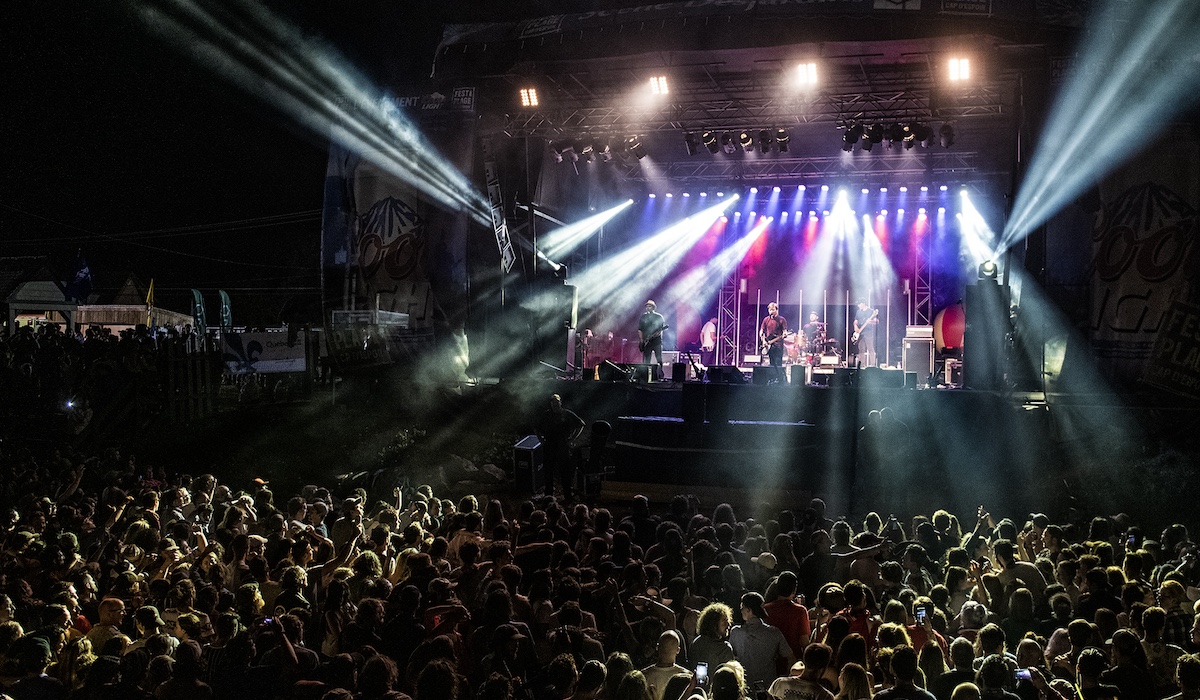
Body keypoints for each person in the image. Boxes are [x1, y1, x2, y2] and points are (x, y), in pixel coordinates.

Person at [537, 394, 585, 502]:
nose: (555, 404)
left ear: (560, 403)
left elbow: (581, 424)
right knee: (548, 473)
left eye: (557, 402)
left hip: (563, 447)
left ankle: (567, 497)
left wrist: (572, 438)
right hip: (549, 446)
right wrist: (540, 439)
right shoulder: (547, 415)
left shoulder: (566, 414)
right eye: (553, 402)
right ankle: (549, 497)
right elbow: (536, 427)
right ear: (551, 404)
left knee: (565, 473)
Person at [759, 303, 788, 382]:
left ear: (776, 310)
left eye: (773, 310)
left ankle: (779, 379)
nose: (771, 311)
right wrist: (763, 340)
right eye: (769, 310)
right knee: (771, 362)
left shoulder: (782, 320)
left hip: (778, 344)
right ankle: (772, 378)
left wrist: (784, 334)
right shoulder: (766, 319)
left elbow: (785, 331)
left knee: (778, 362)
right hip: (769, 344)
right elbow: (761, 331)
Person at [638, 300, 668, 372]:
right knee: (646, 360)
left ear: (653, 307)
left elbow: (661, 329)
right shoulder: (643, 317)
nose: (648, 308)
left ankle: (660, 374)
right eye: (647, 306)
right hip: (647, 342)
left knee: (659, 359)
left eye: (650, 306)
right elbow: (640, 329)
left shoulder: (658, 316)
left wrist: (657, 334)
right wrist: (642, 340)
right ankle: (645, 374)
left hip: (656, 341)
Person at [853, 301, 878, 368]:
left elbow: (876, 321)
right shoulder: (858, 312)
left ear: (863, 303)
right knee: (861, 349)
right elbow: (855, 321)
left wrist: (871, 321)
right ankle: (862, 365)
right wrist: (855, 327)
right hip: (860, 333)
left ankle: (873, 365)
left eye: (859, 304)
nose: (858, 305)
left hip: (868, 332)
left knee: (870, 349)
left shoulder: (871, 311)